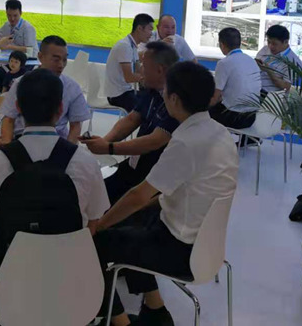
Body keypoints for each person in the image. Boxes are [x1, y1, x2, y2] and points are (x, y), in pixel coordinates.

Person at [95, 62, 239, 326]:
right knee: (133, 223)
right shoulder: (221, 133)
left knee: (96, 243)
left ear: (173, 99)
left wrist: (100, 224)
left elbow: (139, 195)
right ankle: (156, 310)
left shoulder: (185, 141)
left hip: (180, 250)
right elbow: (175, 194)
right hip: (207, 245)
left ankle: (120, 322)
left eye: (165, 91)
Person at [0, 68, 109, 285]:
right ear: (61, 109)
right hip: (70, 282)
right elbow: (92, 226)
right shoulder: (85, 162)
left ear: (18, 108)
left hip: (10, 284)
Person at [84, 41, 180, 206]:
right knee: (97, 191)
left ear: (159, 70)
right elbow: (132, 119)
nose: (140, 69)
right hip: (137, 163)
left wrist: (108, 148)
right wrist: (104, 142)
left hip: (156, 176)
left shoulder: (176, 101)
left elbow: (154, 141)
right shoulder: (152, 91)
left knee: (115, 205)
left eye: (144, 65)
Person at [0, 36, 91, 144]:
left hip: (58, 142)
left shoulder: (72, 88)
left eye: (64, 59)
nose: (61, 65)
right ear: (40, 57)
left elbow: (75, 125)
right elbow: (8, 119)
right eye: (56, 59)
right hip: (23, 139)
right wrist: (7, 146)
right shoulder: (21, 84)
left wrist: (69, 150)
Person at [209, 27, 262, 130]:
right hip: (252, 117)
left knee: (203, 112)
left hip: (234, 117)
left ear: (221, 44)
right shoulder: (251, 61)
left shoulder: (224, 63)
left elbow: (215, 97)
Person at [105, 13, 154, 112]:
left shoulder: (133, 46)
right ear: (139, 28)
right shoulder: (125, 46)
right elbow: (129, 77)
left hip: (126, 91)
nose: (151, 34)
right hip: (117, 95)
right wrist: (149, 79)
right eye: (150, 29)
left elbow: (139, 71)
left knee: (152, 100)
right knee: (145, 110)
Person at [0, 0, 38, 90]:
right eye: (9, 15)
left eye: (15, 15)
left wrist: (9, 47)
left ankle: (13, 95)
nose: (12, 19)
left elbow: (29, 49)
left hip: (28, 60)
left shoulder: (27, 28)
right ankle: (7, 95)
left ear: (21, 13)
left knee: (12, 79)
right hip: (14, 59)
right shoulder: (7, 25)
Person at [255, 24, 302, 93]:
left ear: (285, 42)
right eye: (268, 42)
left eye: (274, 44)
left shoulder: (293, 61)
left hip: (272, 95)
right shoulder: (265, 49)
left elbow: (286, 86)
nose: (270, 46)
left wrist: (269, 71)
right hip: (254, 89)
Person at [0, 50, 29, 123]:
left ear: (21, 64)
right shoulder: (8, 74)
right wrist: (1, 95)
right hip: (10, 94)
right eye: (11, 61)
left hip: (22, 94)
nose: (12, 64)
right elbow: (4, 87)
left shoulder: (25, 73)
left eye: (16, 62)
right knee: (2, 96)